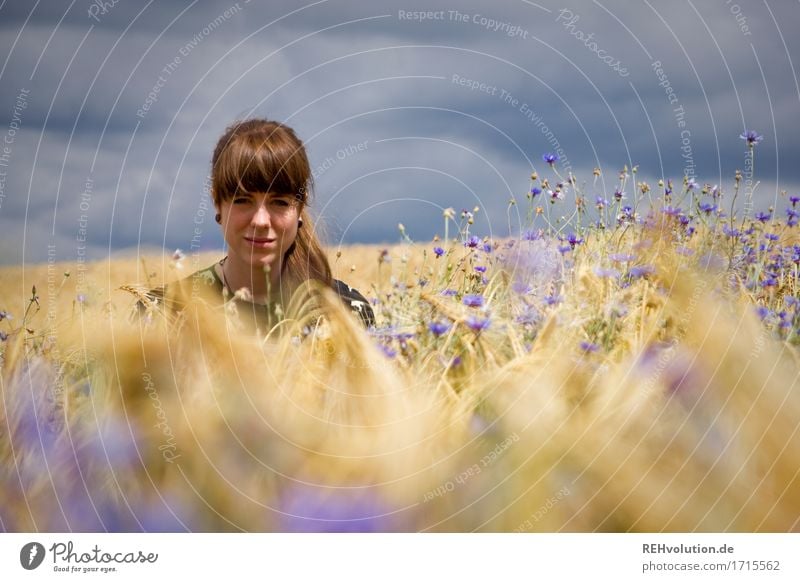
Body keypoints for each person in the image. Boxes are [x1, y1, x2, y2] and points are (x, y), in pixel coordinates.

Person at [139, 119, 374, 330]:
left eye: (279, 202)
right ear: (217, 203)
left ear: (300, 209)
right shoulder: (162, 314)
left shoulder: (347, 314)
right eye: (243, 200)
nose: (261, 221)